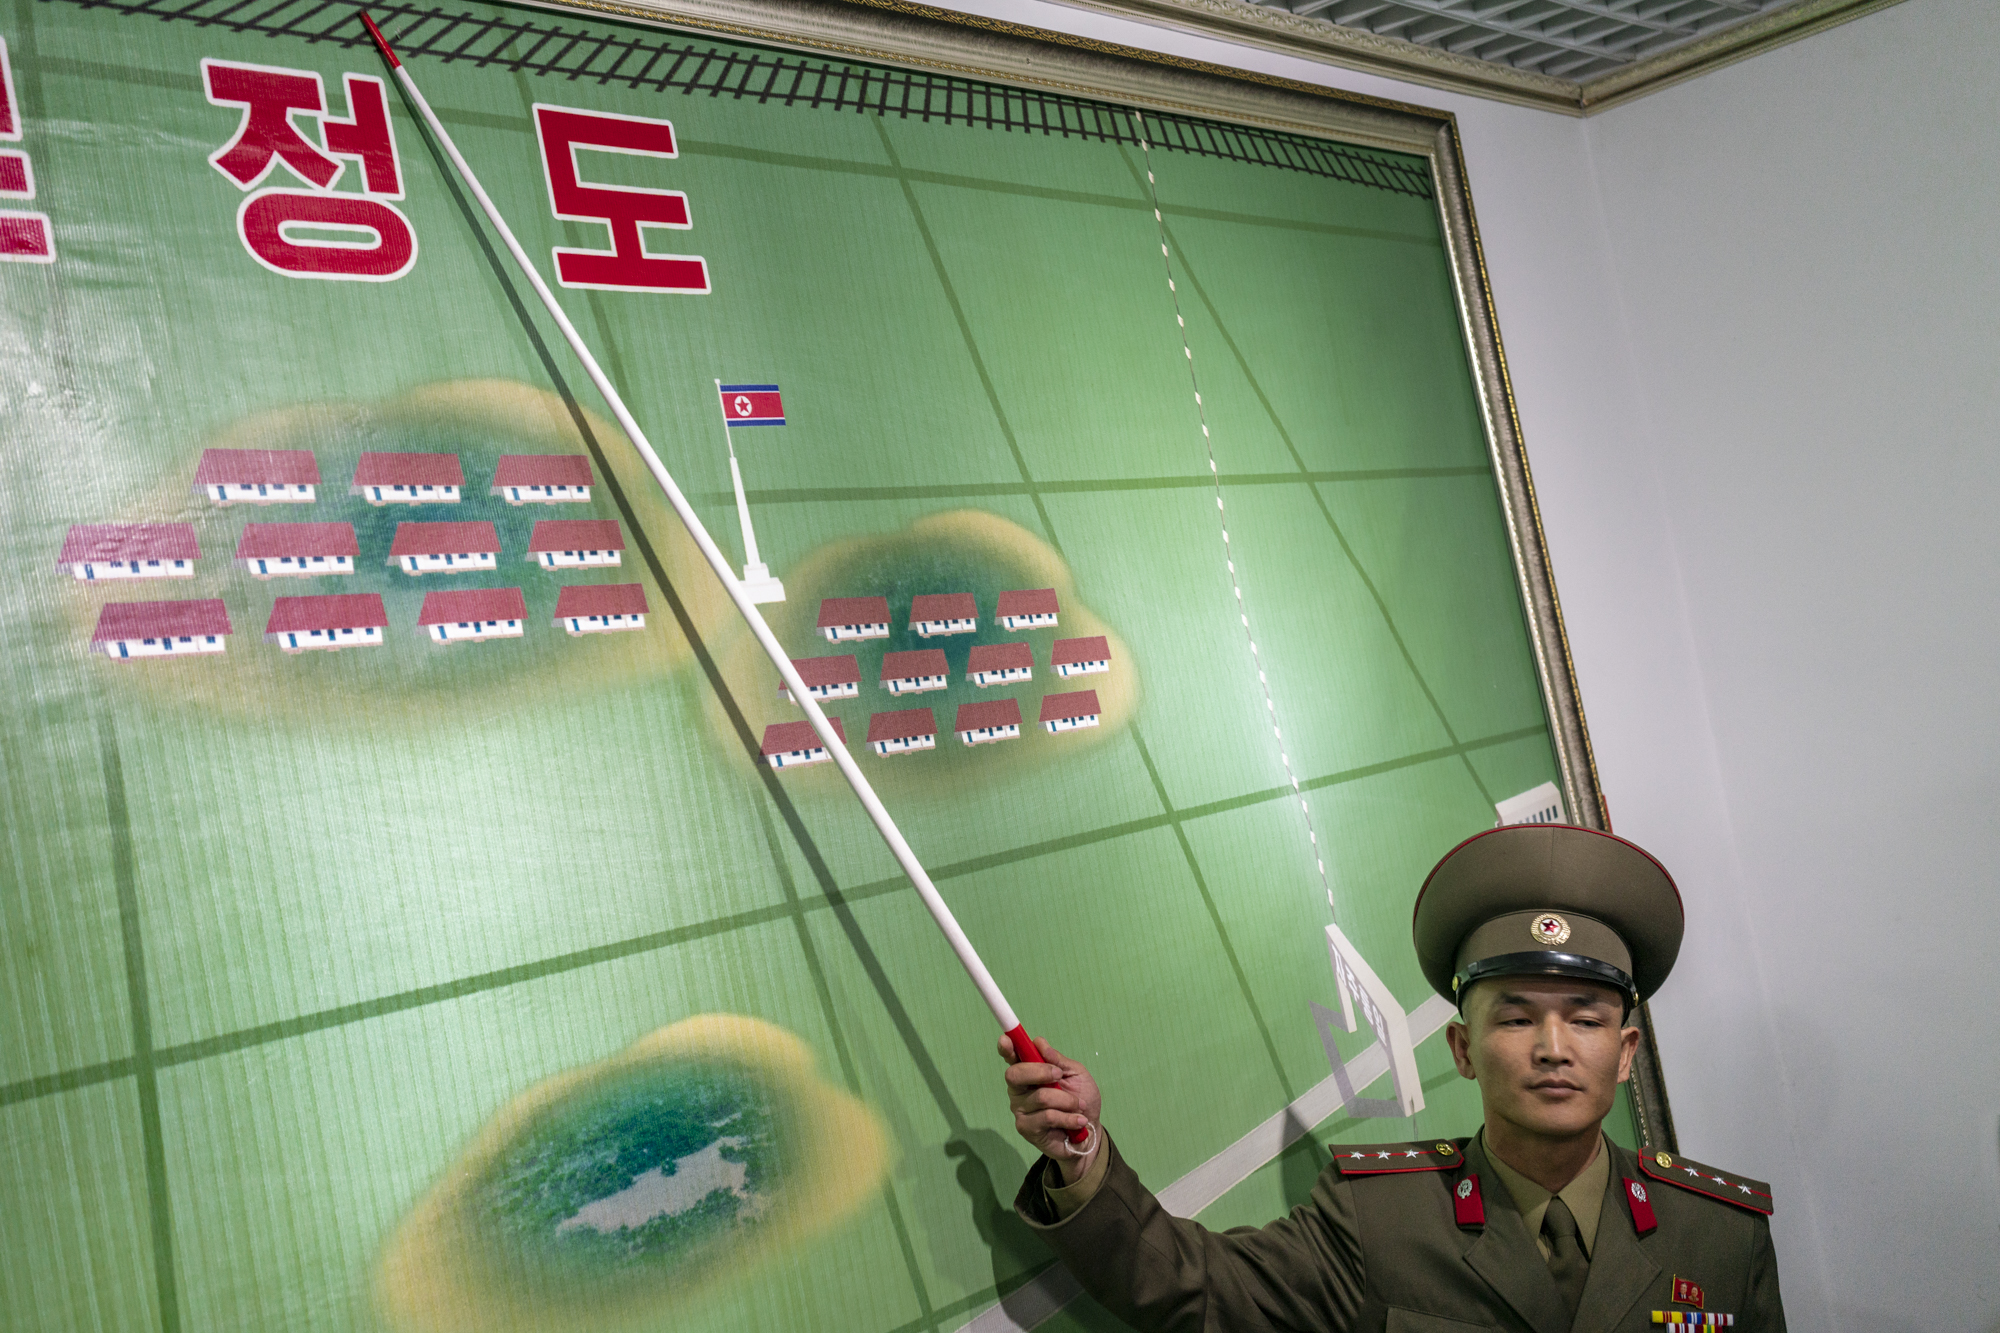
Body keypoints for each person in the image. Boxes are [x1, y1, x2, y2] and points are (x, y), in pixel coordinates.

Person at [1003, 823, 1785, 1331]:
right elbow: (1193, 1288)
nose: (1552, 1045)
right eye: (1515, 1017)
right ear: (1461, 1049)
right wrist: (1080, 1153)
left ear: (1624, 1050)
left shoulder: (1720, 1235)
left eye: (1584, 1017)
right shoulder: (1376, 1217)